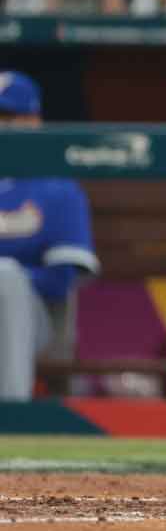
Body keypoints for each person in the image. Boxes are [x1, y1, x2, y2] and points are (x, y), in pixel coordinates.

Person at [0, 70, 99, 400]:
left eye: (9, 116)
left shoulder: (56, 188)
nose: (3, 125)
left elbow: (60, 280)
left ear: (33, 120)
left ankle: (9, 413)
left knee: (6, 276)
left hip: (36, 319)